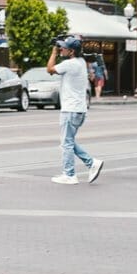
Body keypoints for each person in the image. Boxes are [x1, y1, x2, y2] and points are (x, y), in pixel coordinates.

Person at [47, 35, 103, 185]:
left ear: (71, 51)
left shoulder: (70, 64)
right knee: (68, 142)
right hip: (78, 110)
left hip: (70, 110)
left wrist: (53, 52)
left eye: (63, 48)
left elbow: (50, 69)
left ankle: (70, 174)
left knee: (66, 143)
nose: (61, 49)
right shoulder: (80, 62)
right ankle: (92, 163)